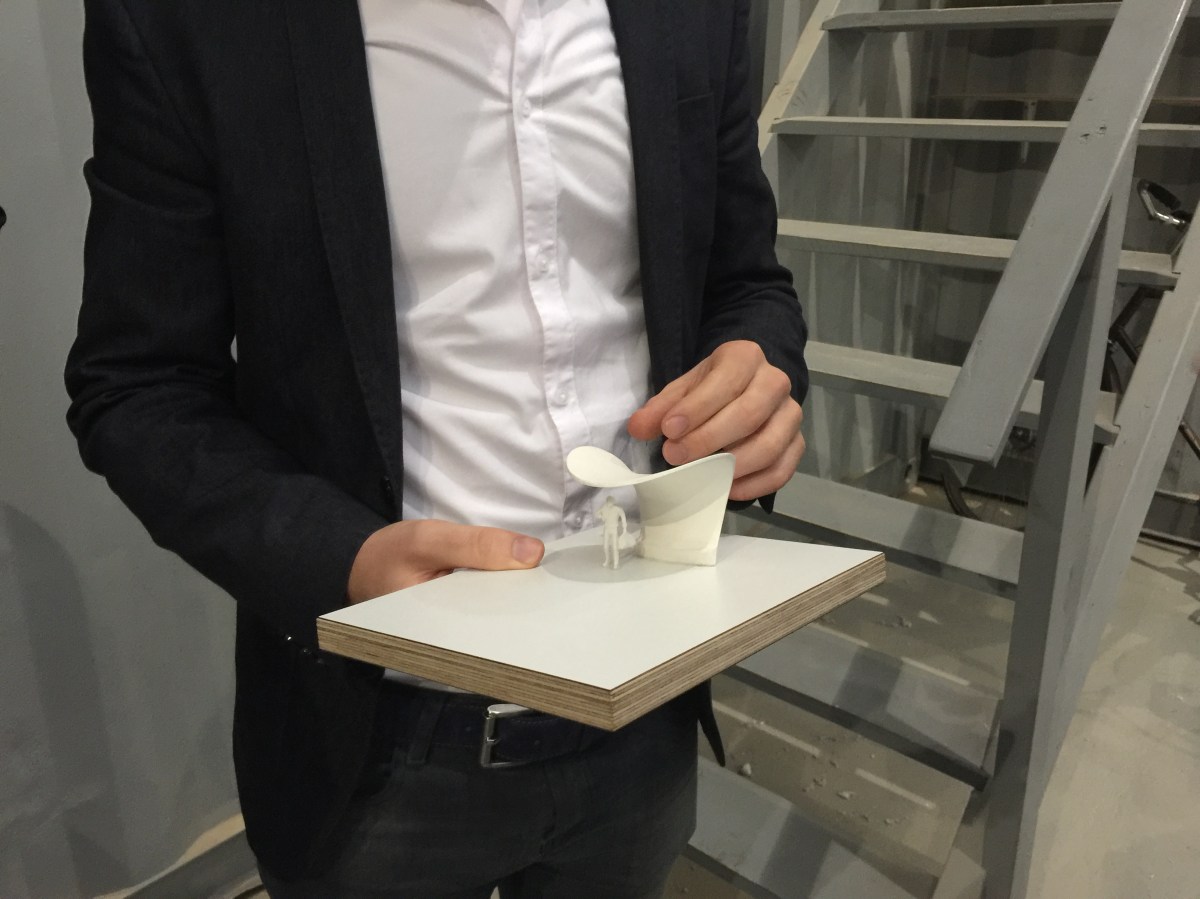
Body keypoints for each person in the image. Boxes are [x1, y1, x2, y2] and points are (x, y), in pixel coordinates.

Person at [66, 0, 809, 896]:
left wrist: (758, 380)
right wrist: (338, 555)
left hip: (647, 706)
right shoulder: (187, 21)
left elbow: (745, 281)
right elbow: (138, 385)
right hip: (376, 743)